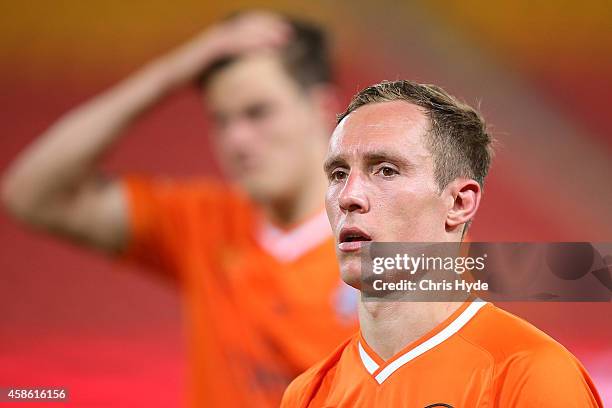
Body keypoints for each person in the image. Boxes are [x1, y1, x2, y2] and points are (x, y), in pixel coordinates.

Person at [1, 11, 358, 408]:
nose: (236, 139)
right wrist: (174, 71)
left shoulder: (393, 241)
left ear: (323, 108)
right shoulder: (202, 221)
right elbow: (31, 193)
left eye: (258, 113)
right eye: (221, 120)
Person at [281, 80, 603, 407]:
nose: (348, 196)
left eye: (386, 170)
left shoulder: (532, 375)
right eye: (338, 174)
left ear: (459, 203)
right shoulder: (307, 395)